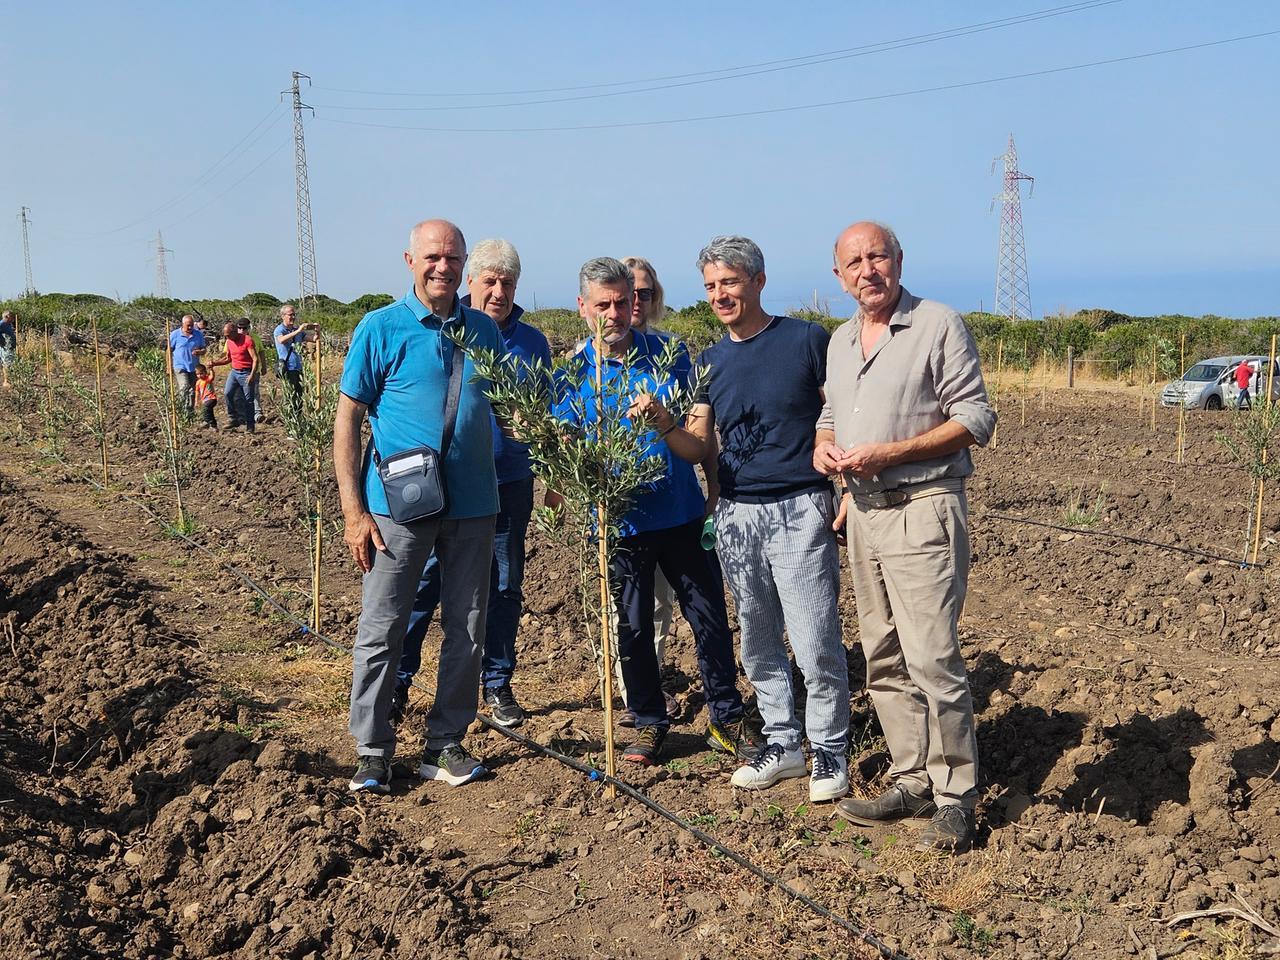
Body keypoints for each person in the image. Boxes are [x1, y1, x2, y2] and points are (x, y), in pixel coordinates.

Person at [815, 221, 995, 852]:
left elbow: (976, 417)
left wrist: (894, 453)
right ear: (838, 276)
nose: (868, 270)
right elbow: (831, 416)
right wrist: (824, 452)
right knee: (883, 655)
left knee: (932, 657)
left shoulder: (937, 324)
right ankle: (913, 775)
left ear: (898, 260)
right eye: (855, 262)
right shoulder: (840, 342)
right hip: (863, 513)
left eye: (878, 257)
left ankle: (956, 796)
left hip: (922, 506)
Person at [554, 256, 762, 766]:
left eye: (623, 302)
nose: (614, 313)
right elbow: (563, 455)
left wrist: (703, 472)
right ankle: (647, 720)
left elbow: (696, 441)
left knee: (709, 617)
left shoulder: (670, 356)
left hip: (680, 514)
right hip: (620, 523)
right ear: (583, 308)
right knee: (632, 627)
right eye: (602, 304)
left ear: (636, 302)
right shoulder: (571, 374)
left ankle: (726, 715)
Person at [335, 219, 503, 794]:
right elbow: (348, 422)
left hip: (476, 505)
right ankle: (373, 749)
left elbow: (513, 411)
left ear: (465, 267)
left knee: (469, 626)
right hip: (396, 508)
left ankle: (444, 743)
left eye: (453, 258)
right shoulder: (380, 328)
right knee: (383, 626)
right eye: (433, 256)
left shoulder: (484, 331)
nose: (443, 267)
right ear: (409, 259)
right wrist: (354, 513)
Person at [690, 235, 852, 802]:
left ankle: (830, 748)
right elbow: (703, 440)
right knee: (758, 640)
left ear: (758, 281)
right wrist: (671, 435)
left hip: (800, 506)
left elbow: (840, 405)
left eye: (729, 282)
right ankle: (783, 743)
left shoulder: (806, 339)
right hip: (737, 513)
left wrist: (845, 482)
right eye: (711, 286)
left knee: (813, 638)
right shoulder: (707, 362)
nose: (720, 295)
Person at [392, 238, 552, 729]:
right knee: (426, 581)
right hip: (447, 485)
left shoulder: (534, 343)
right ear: (470, 281)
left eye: (508, 282)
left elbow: (542, 413)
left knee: (504, 586)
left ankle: (497, 683)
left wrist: (549, 466)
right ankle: (399, 681)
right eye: (490, 281)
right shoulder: (449, 329)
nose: (499, 291)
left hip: (508, 483)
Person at [207, 320, 258, 432]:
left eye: (229, 335)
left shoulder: (247, 340)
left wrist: (252, 375)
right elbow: (228, 359)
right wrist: (215, 363)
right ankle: (233, 418)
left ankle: (250, 426)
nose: (227, 338)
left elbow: (255, 359)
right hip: (234, 371)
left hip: (246, 372)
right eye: (226, 336)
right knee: (227, 393)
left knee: (248, 399)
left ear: (235, 331)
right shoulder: (229, 342)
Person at [274, 303, 317, 412]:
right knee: (290, 396)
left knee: (299, 396)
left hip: (298, 367)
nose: (293, 317)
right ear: (283, 316)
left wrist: (317, 330)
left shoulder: (298, 330)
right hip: (288, 368)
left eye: (294, 315)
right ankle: (290, 421)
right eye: (290, 315)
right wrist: (297, 331)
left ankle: (298, 419)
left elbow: (313, 338)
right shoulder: (280, 330)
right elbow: (281, 340)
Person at [168, 314, 206, 413]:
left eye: (191, 325)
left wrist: (200, 352)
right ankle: (182, 410)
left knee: (193, 390)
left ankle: (189, 411)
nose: (190, 327)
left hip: (194, 367)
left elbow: (204, 349)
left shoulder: (198, 334)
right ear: (182, 324)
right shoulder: (175, 334)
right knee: (184, 386)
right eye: (187, 325)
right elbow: (169, 350)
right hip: (180, 366)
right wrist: (168, 366)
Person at [236, 318, 266, 423]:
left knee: (254, 392)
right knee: (239, 393)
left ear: (248, 328)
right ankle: (241, 415)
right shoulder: (233, 338)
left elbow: (261, 352)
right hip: (239, 371)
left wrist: (264, 366)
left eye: (243, 328)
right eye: (239, 328)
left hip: (254, 370)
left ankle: (257, 413)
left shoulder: (255, 338)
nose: (241, 330)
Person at [194, 363, 218, 429]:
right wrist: (196, 401)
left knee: (205, 409)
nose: (200, 376)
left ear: (205, 373)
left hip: (212, 398)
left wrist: (211, 369)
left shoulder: (208, 379)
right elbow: (197, 392)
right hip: (205, 399)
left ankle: (206, 421)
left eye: (201, 373)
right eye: (198, 374)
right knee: (209, 411)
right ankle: (213, 425)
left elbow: (212, 376)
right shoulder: (198, 382)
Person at [0, 310, 16, 389]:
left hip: (9, 348)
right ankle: (6, 381)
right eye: (11, 316)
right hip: (5, 348)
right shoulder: (2, 324)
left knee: (9, 363)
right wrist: (2, 341)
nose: (13, 318)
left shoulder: (8, 324)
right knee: (7, 364)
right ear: (6, 317)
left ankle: (8, 380)